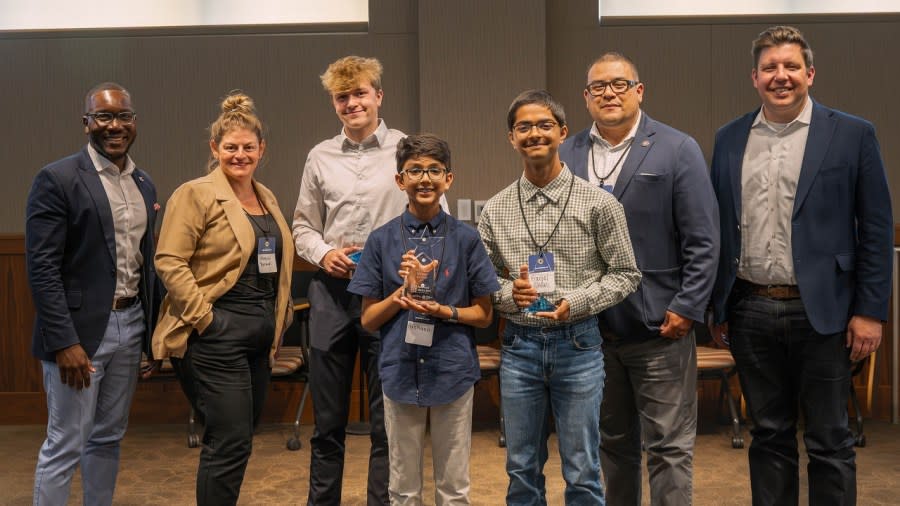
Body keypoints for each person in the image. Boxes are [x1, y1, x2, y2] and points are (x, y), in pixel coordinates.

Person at [709, 25, 893, 506]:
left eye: (791, 66)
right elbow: (718, 227)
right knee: (768, 437)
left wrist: (871, 311)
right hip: (750, 309)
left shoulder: (852, 134)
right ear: (754, 77)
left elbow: (875, 227)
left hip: (827, 314)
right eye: (770, 68)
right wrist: (718, 307)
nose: (781, 76)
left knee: (830, 440)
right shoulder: (729, 139)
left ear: (810, 73)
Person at [559, 52, 719, 505]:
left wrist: (687, 307)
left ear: (639, 91)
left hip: (660, 326)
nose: (609, 93)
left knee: (668, 447)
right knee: (611, 444)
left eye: (619, 84)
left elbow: (703, 238)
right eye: (598, 87)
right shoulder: (567, 153)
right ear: (586, 97)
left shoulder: (676, 148)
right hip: (591, 331)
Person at [294, 55, 447, 505]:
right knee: (327, 423)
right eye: (342, 97)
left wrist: (418, 266)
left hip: (390, 295)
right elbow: (303, 225)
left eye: (360, 93)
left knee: (389, 424)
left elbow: (437, 214)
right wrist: (324, 254)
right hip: (333, 293)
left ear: (378, 95)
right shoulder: (319, 156)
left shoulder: (406, 148)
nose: (351, 103)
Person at [478, 89, 641, 505]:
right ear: (511, 138)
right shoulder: (494, 210)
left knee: (583, 468)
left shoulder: (599, 204)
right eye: (524, 127)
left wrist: (579, 301)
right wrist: (508, 294)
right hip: (519, 346)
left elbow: (626, 274)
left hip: (579, 344)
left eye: (544, 125)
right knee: (521, 468)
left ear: (563, 133)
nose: (534, 133)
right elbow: (485, 283)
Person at [152, 92, 294, 506]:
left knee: (240, 440)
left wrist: (279, 321)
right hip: (215, 337)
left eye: (248, 147)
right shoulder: (194, 194)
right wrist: (207, 320)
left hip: (259, 337)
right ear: (215, 149)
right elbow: (169, 261)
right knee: (227, 442)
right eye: (230, 147)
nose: (240, 155)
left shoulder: (266, 196)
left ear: (261, 150)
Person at [347, 133, 500, 505]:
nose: (425, 178)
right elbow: (367, 319)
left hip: (453, 370)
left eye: (434, 170)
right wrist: (400, 296)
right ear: (400, 181)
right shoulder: (381, 240)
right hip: (399, 370)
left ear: (448, 179)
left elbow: (483, 314)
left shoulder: (467, 239)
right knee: (402, 488)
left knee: (454, 488)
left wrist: (443, 311)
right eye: (415, 170)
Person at [26, 82, 158, 506]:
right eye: (103, 117)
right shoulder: (58, 178)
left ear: (134, 123)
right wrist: (64, 341)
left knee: (108, 438)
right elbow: (42, 268)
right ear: (87, 124)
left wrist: (149, 337)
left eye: (123, 116)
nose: (114, 125)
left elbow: (145, 263)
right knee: (65, 442)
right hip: (78, 334)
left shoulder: (144, 183)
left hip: (130, 325)